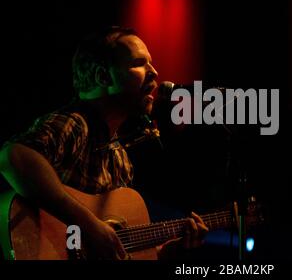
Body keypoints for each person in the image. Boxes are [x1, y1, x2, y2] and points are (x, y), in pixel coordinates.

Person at [0, 26, 208, 260]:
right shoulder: (75, 125)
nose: (155, 72)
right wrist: (88, 224)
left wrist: (172, 249)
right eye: (139, 63)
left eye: (150, 63)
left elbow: (116, 245)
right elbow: (13, 156)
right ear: (103, 76)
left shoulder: (119, 157)